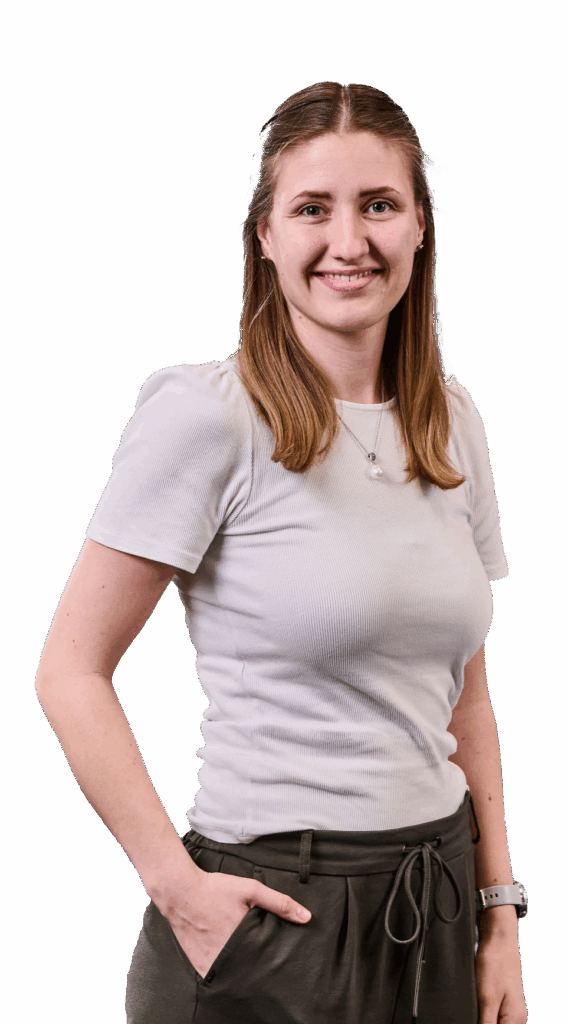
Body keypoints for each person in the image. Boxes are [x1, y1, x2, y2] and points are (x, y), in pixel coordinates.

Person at [34, 81, 528, 1024]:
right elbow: (69, 670)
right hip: (271, 918)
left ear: (420, 227)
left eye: (378, 205)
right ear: (264, 235)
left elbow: (464, 691)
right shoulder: (208, 416)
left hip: (436, 902)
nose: (349, 241)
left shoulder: (452, 421)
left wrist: (499, 912)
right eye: (312, 209)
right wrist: (179, 889)